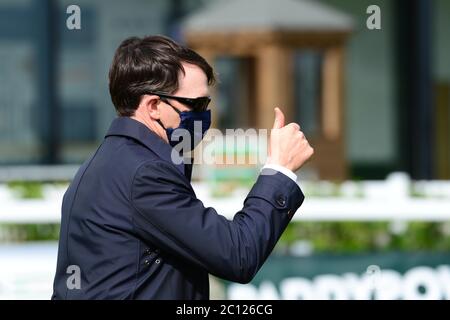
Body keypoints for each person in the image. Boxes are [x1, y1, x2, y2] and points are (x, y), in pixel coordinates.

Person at [52, 35, 314, 299]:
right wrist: (280, 170)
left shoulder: (111, 160)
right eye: (196, 104)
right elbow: (238, 255)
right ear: (154, 106)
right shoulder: (145, 173)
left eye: (207, 104)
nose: (205, 115)